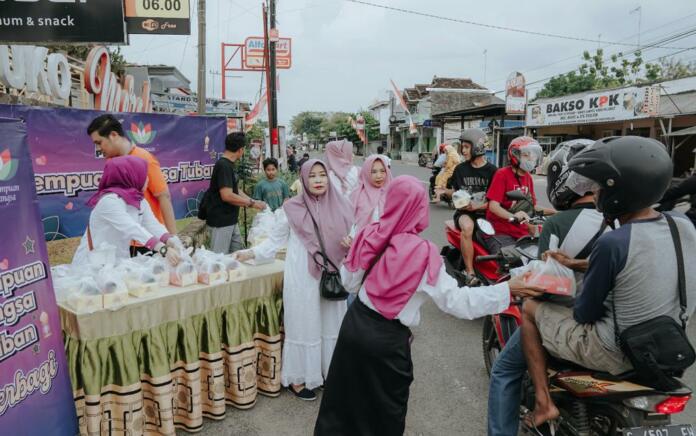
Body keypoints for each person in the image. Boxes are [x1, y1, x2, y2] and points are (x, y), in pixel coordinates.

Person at [313, 176, 544, 436]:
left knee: (342, 406)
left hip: (354, 328)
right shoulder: (422, 252)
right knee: (383, 415)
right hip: (387, 344)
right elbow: (457, 302)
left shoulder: (370, 233)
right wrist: (507, 289)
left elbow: (349, 281)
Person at [519, 136, 696, 429]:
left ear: (620, 190)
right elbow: (642, 261)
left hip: (614, 352)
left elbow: (584, 314)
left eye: (601, 185)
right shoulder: (683, 225)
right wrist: (575, 263)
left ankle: (543, 403)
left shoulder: (613, 242)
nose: (596, 192)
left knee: (529, 308)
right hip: (668, 346)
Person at [486, 140, 605, 436]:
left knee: (503, 370)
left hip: (564, 319)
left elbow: (546, 284)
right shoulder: (619, 221)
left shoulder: (559, 224)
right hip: (605, 319)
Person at [235, 159, 354, 401]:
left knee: (332, 323)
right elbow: (274, 241)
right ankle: (299, 377)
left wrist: (352, 242)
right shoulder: (291, 208)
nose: (319, 180)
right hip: (302, 275)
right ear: (303, 179)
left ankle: (330, 371)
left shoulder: (341, 206)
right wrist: (251, 253)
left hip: (332, 274)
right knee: (304, 322)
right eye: (313, 176)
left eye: (322, 175)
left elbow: (356, 234)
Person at [87, 115, 177, 255]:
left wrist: (172, 239)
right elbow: (126, 223)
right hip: (123, 240)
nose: (98, 148)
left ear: (113, 135)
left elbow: (164, 197)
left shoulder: (144, 159)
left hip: (149, 240)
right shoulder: (111, 164)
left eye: (99, 142)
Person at [72, 156, 182, 266]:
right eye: (144, 175)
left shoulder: (139, 200)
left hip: (117, 263)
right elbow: (131, 228)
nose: (147, 179)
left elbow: (152, 224)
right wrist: (162, 249)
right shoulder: (109, 201)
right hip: (91, 265)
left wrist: (170, 240)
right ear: (131, 176)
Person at [446, 129, 497, 283]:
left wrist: (478, 207)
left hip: (486, 213)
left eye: (467, 147)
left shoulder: (493, 171)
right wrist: (446, 193)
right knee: (467, 228)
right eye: (463, 146)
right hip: (465, 213)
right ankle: (470, 272)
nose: (463, 150)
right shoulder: (460, 169)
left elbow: (496, 201)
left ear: (477, 147)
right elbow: (454, 192)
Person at [205, 132, 266, 254]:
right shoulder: (223, 166)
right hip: (220, 221)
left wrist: (253, 201)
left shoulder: (229, 165)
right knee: (219, 259)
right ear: (240, 150)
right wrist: (251, 203)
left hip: (230, 220)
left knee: (237, 255)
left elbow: (235, 190)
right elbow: (227, 195)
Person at [485, 136, 546, 253]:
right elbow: (493, 206)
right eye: (526, 155)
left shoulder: (528, 177)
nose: (530, 159)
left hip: (521, 232)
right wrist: (513, 217)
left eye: (532, 155)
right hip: (500, 231)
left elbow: (532, 206)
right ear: (515, 155)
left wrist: (556, 213)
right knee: (512, 263)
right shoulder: (502, 174)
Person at [350, 155, 393, 232]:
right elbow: (351, 222)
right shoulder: (357, 195)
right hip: (362, 240)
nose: (379, 176)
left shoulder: (393, 194)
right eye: (373, 172)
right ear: (366, 173)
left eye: (382, 171)